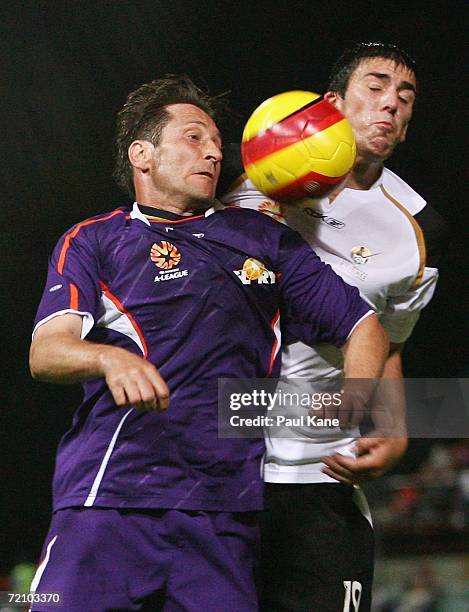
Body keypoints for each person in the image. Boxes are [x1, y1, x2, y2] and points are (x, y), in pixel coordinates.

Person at [28, 76, 389, 611]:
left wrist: (359, 405)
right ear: (142, 155)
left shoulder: (263, 239)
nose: (215, 151)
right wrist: (107, 357)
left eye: (218, 141)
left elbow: (364, 326)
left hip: (223, 516)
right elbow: (46, 351)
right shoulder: (93, 240)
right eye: (195, 137)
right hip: (109, 500)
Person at [221, 42, 447, 611]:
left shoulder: (417, 229)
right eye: (374, 87)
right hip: (218, 461)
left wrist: (394, 429)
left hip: (319, 474)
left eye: (404, 96)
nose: (390, 104)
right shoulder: (240, 179)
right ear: (331, 104)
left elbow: (392, 343)